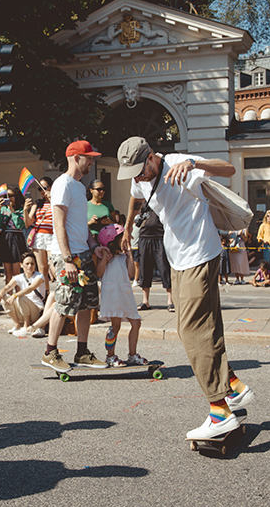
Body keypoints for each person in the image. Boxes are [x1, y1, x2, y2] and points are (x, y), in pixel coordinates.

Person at [118, 135, 254, 439]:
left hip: (200, 254)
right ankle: (233, 385)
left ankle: (220, 412)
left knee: (193, 331)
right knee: (201, 326)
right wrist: (128, 227)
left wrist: (194, 163)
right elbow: (135, 195)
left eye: (142, 169)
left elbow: (228, 169)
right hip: (176, 257)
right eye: (133, 173)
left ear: (152, 157)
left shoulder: (180, 164)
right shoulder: (138, 177)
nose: (139, 177)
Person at [40, 140, 109, 373]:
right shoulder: (63, 185)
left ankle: (82, 352)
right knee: (65, 302)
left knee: (86, 304)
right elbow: (58, 225)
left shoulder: (79, 186)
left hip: (83, 252)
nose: (91, 161)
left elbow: (80, 225)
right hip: (67, 256)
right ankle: (50, 352)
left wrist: (94, 246)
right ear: (76, 158)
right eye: (88, 157)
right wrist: (68, 259)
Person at [97, 224, 145, 367]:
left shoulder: (123, 256)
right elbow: (99, 273)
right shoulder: (107, 258)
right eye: (121, 238)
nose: (124, 240)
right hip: (113, 296)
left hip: (125, 295)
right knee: (115, 326)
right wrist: (105, 258)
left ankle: (132, 354)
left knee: (136, 323)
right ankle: (110, 356)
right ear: (111, 241)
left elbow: (131, 274)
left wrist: (129, 254)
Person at [0, 252, 45, 338]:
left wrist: (15, 295)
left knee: (21, 297)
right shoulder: (19, 277)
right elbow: (8, 286)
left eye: (32, 263)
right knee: (5, 298)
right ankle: (17, 324)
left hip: (37, 310)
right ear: (21, 265)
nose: (30, 266)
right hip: (23, 309)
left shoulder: (39, 276)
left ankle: (26, 326)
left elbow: (30, 289)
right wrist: (1, 293)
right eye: (27, 264)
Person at [136, 209, 173, 311]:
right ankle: (145, 301)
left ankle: (170, 300)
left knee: (164, 268)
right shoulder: (144, 204)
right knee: (144, 269)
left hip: (160, 237)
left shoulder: (161, 201)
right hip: (144, 237)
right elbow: (136, 220)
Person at [24, 176, 54, 294]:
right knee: (42, 269)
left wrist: (52, 199)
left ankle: (59, 292)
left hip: (52, 236)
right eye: (40, 189)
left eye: (45, 187)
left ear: (51, 187)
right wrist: (25, 209)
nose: (43, 191)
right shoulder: (38, 204)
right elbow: (28, 223)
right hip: (40, 236)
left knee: (54, 266)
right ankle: (45, 293)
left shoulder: (56, 201)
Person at [0, 187, 28, 283]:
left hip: (17, 238)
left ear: (17, 196)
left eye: (11, 196)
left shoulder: (21, 209)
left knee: (16, 273)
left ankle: (18, 294)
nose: (8, 198)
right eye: (6, 196)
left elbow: (19, 225)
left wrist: (12, 210)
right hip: (6, 238)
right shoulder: (3, 209)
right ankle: (8, 294)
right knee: (7, 273)